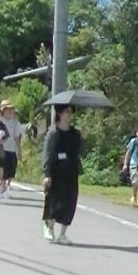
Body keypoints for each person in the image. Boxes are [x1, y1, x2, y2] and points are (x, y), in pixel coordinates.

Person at [41, 104, 83, 244]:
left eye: (71, 112)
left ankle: (63, 234)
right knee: (55, 201)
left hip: (71, 171)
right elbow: (47, 154)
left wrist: (82, 138)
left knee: (70, 201)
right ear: (59, 113)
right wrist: (47, 174)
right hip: (56, 171)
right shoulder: (53, 133)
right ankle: (49, 226)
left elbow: (79, 151)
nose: (69, 114)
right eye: (66, 111)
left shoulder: (75, 133)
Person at [0, 100, 24, 199]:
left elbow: (17, 137)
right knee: (3, 170)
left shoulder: (14, 122)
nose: (10, 112)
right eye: (7, 110)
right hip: (2, 149)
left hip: (11, 149)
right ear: (3, 111)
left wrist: (19, 150)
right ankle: (3, 189)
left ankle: (3, 186)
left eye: (11, 110)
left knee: (11, 170)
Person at [121, 124, 138, 208]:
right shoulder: (134, 141)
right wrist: (125, 164)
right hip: (134, 163)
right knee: (136, 180)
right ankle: (134, 196)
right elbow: (128, 153)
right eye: (137, 132)